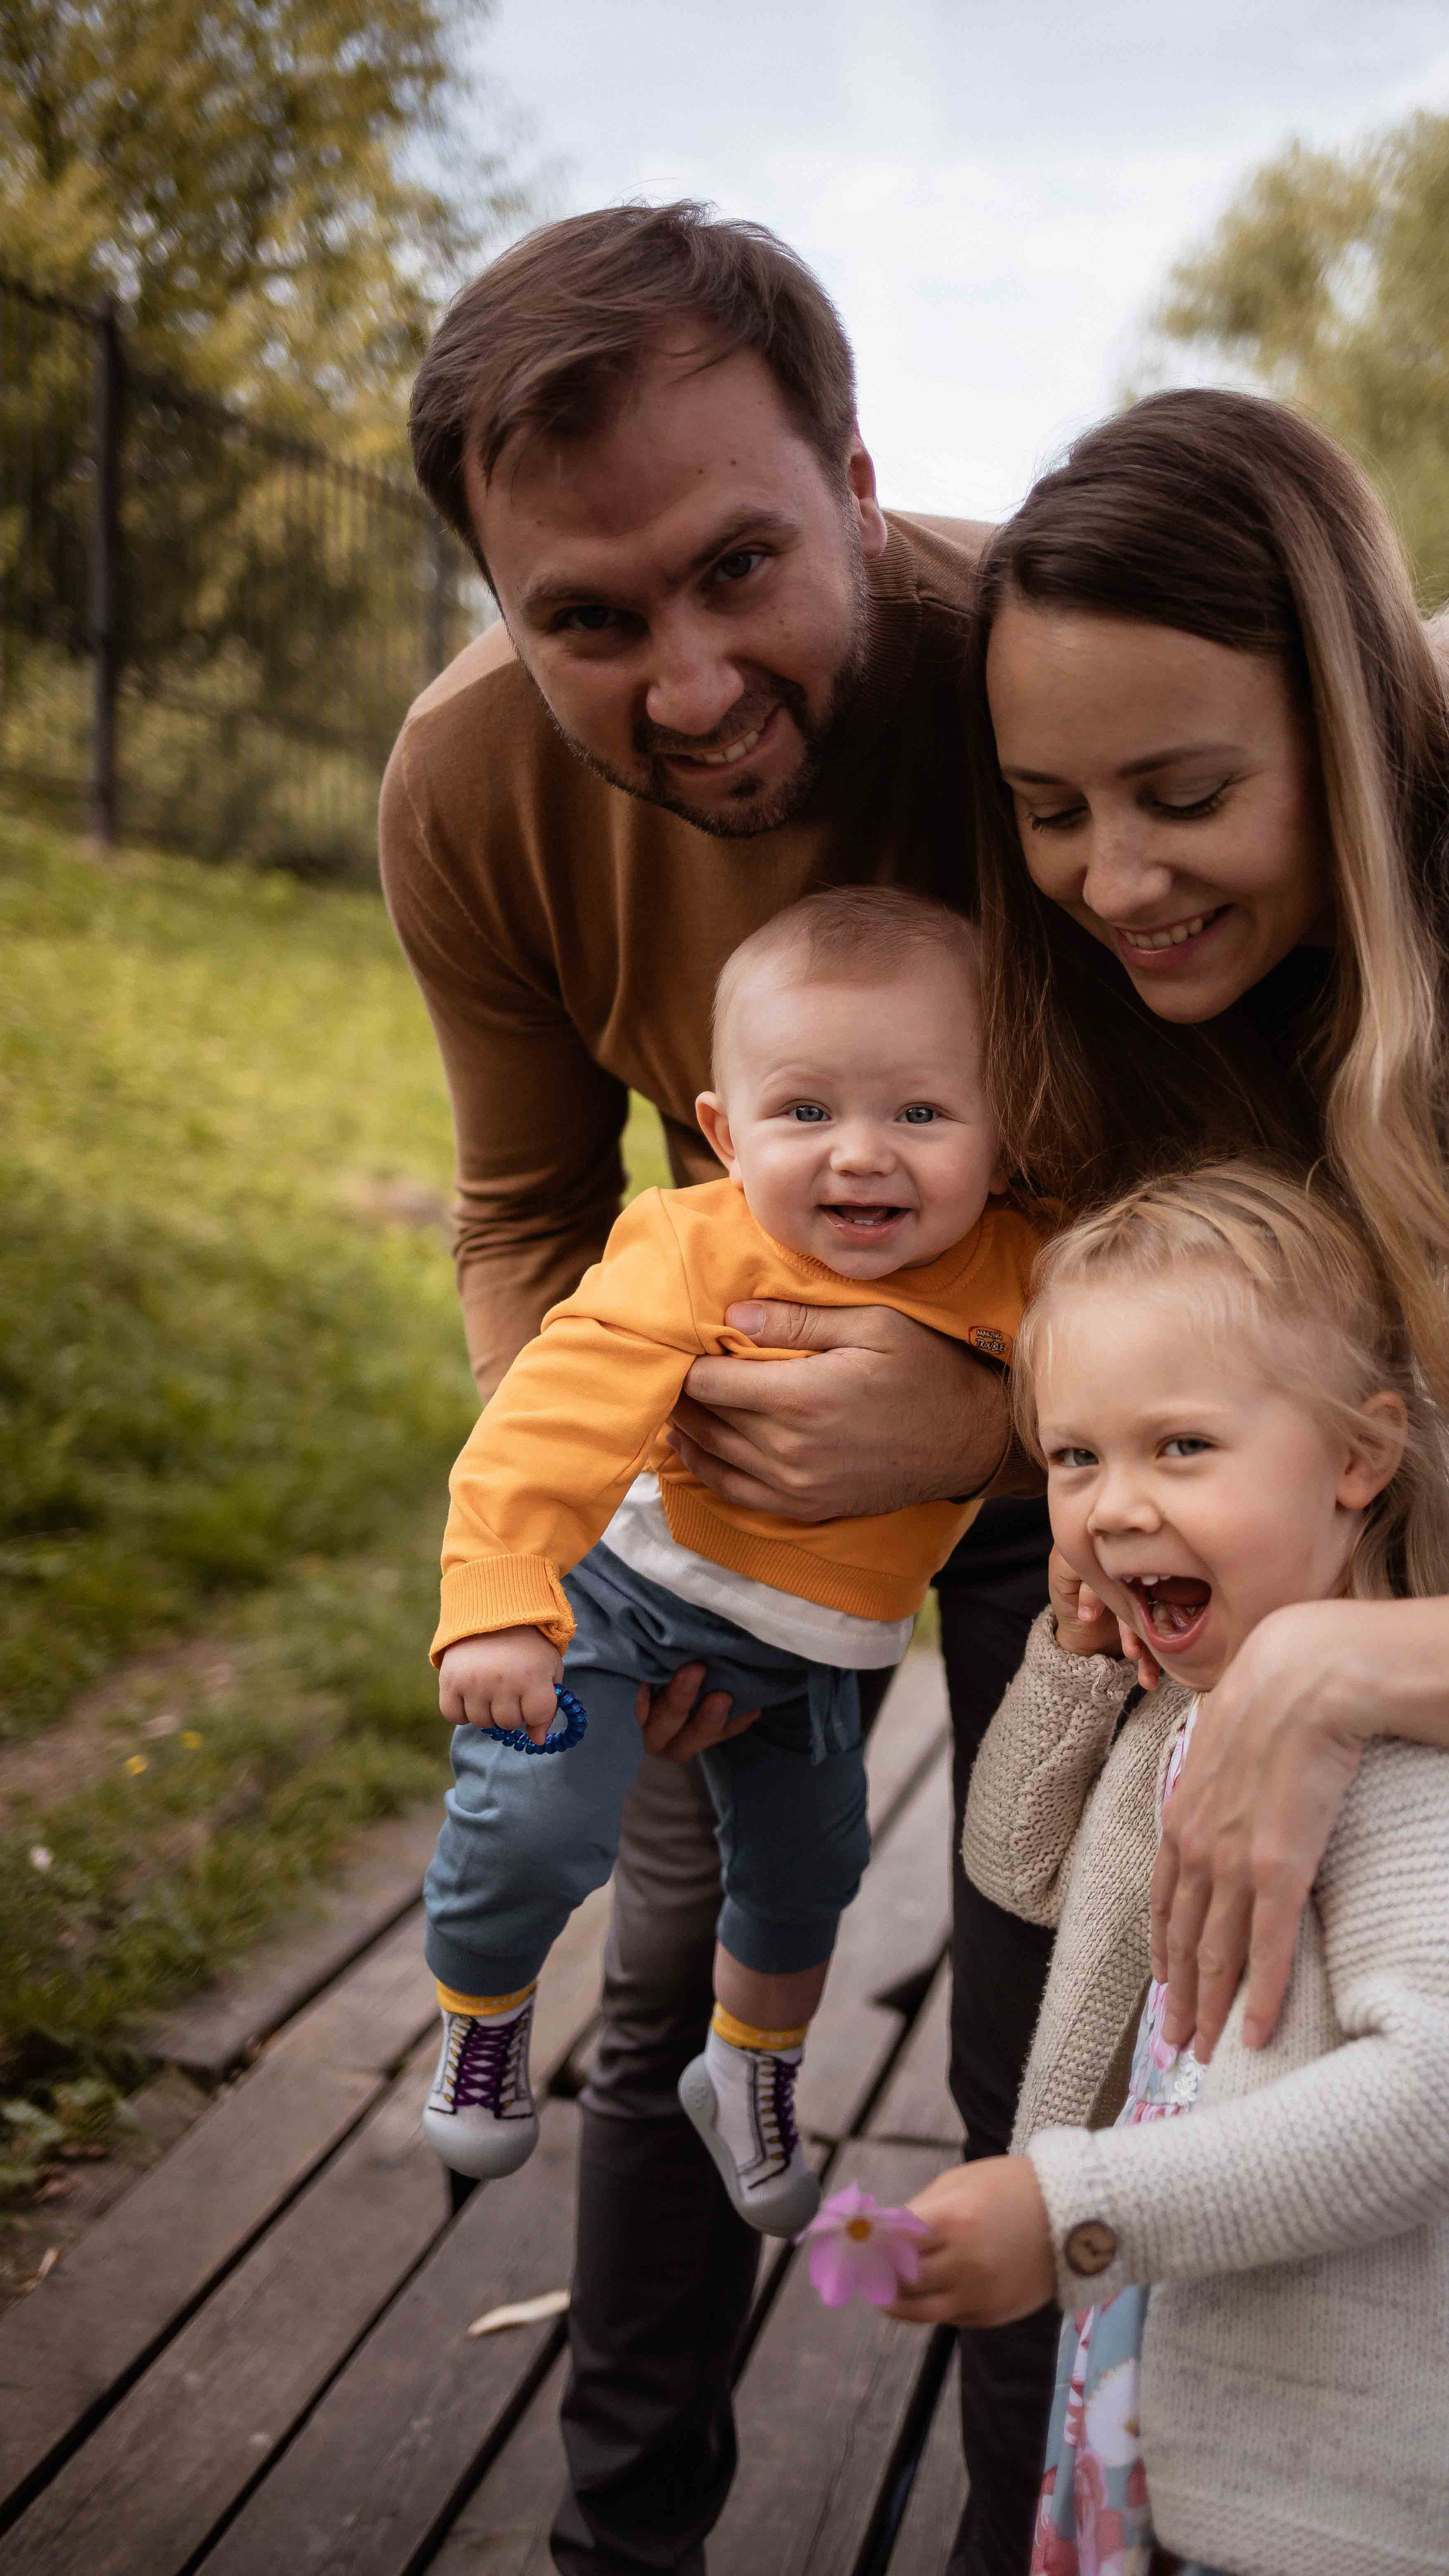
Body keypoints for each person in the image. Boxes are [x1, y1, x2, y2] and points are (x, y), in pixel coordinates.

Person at [965, 386, 1449, 2569]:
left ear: (1356, 728)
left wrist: (1343, 1673)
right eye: (1049, 811)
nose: (1111, 878)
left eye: (1182, 793)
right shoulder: (1294, 974)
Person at [382, 201, 1056, 2573]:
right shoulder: (473, 800)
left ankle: (1030, 2536)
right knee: (665, 1995)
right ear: (502, 605)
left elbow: (1255, 1188)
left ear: (856, 485)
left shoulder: (1043, 690)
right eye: (588, 617)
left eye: (741, 568)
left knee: (1038, 2023)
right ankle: (620, 2534)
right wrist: (593, 1574)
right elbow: (522, 1221)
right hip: (739, 1506)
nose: (684, 683)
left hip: (1099, 1449)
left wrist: (998, 1422)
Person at [888, 1163, 1449, 2576]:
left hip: (1402, 2506)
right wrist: (1069, 1657)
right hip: (1198, 2410)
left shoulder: (1442, 1776)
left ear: (1357, 1460)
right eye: (1075, 1458)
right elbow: (1013, 1861)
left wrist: (1073, 2206)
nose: (1114, 1506)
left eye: (1179, 1447)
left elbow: (1443, 2109)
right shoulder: (1191, 1723)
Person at [420, 889, 1037, 2238]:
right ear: (721, 1134)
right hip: (623, 1602)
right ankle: (484, 2013)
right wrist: (499, 1606)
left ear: (1008, 1130)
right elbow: (551, 1415)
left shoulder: (1023, 1274)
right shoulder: (692, 1245)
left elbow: (1101, 1406)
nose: (857, 1159)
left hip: (816, 1649)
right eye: (804, 1113)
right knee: (537, 1823)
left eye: (920, 1115)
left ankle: (748, 2069)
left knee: (806, 1877)